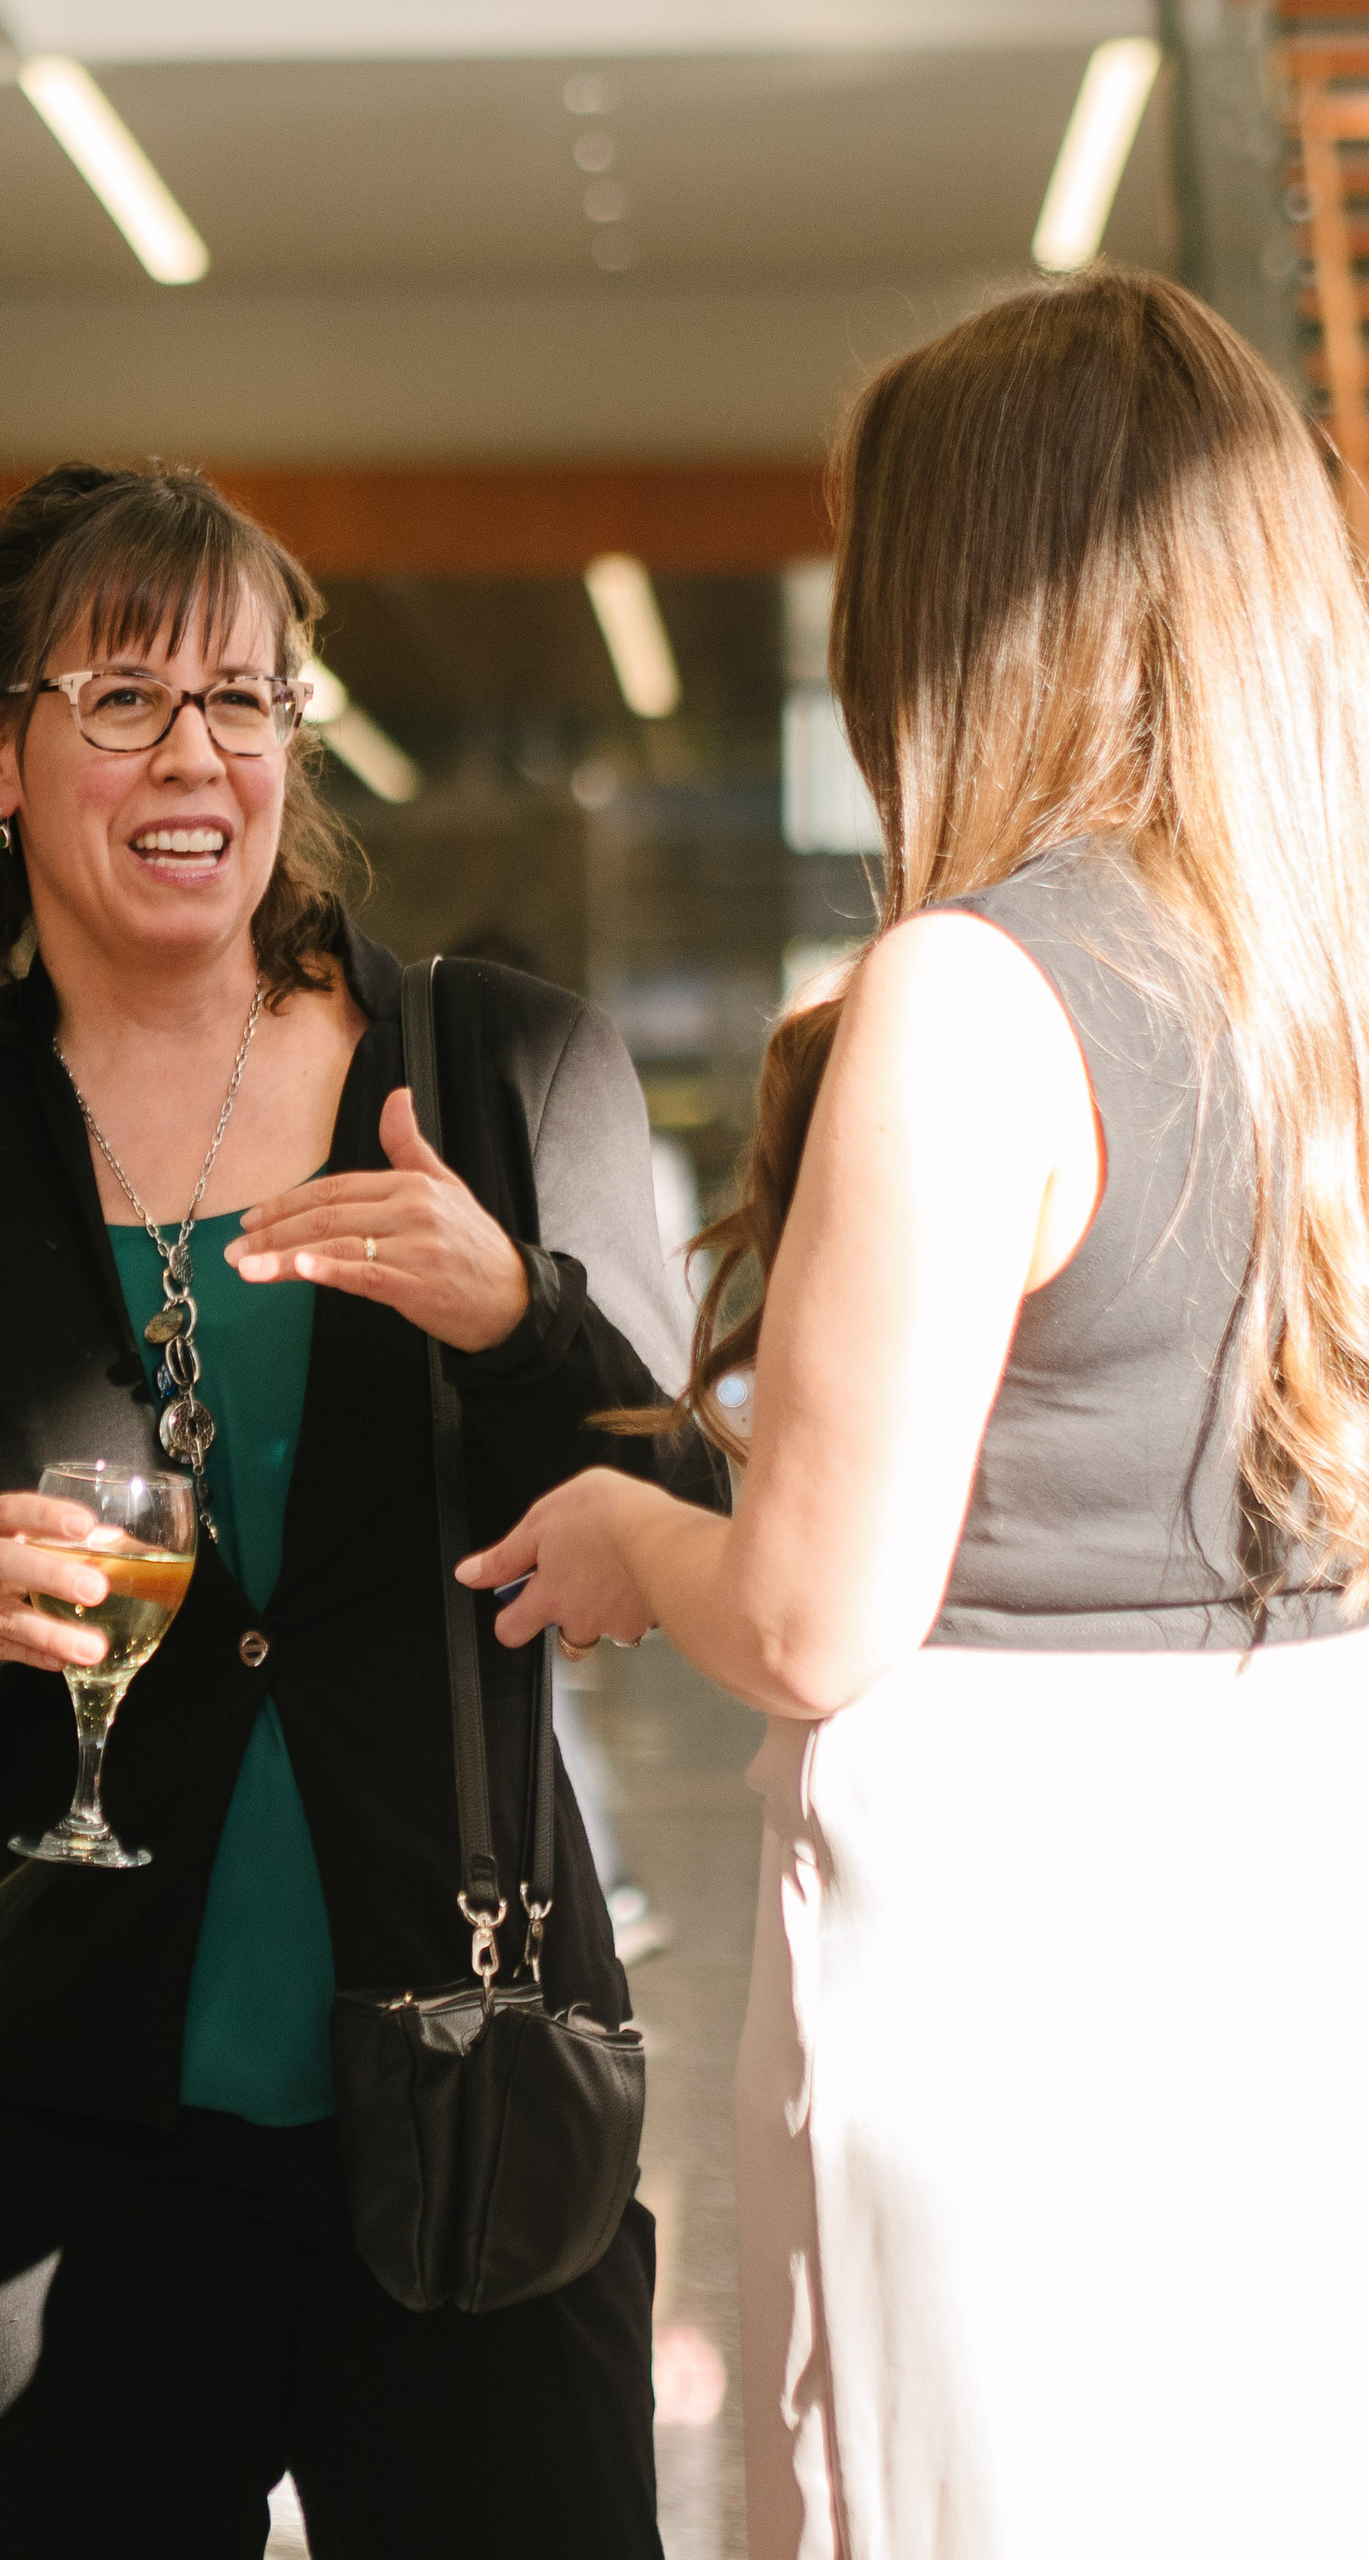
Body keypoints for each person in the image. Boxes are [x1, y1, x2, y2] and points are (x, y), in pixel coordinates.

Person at [0, 461, 722, 2557]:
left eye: (247, 699)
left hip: (463, 2079)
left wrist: (508, 1308)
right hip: (26, 2140)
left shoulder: (506, 1075)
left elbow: (685, 1513)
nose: (199, 754)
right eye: (124, 696)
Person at [464, 269, 1369, 2557]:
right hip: (1283, 1929)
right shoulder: (1311, 990)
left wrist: (620, 1530)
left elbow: (806, 1616)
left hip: (1008, 1966)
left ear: (967, 600)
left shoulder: (972, 992)